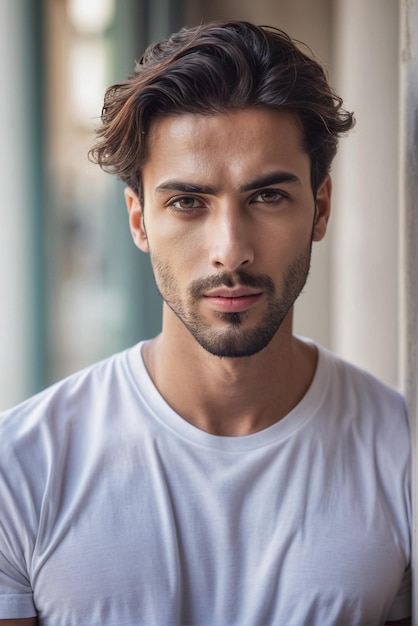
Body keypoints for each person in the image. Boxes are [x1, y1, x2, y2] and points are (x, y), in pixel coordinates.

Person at [0, 19, 411, 626]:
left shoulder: (402, 451)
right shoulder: (23, 466)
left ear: (320, 208)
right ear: (139, 221)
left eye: (267, 196)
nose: (230, 250)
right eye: (188, 202)